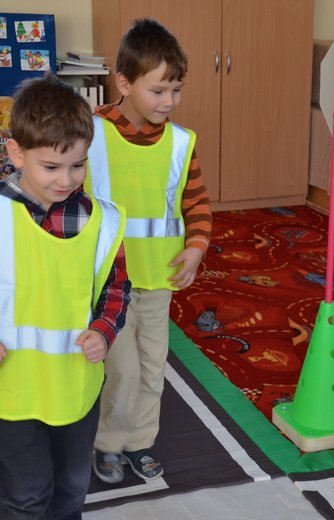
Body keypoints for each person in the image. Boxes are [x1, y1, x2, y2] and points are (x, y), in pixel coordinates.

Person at [0, 72, 131, 520]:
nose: (66, 179)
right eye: (51, 167)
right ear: (16, 153)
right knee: (25, 495)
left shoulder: (101, 221)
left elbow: (116, 288)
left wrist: (104, 331)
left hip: (75, 389)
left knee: (71, 489)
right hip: (13, 389)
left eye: (78, 165)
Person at [85, 17, 212, 483]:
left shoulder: (181, 143)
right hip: (107, 283)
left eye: (176, 90)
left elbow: (196, 203)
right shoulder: (91, 133)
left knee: (152, 367)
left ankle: (140, 441)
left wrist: (196, 247)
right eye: (158, 90)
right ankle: (108, 443)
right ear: (124, 83)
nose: (169, 101)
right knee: (122, 369)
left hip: (159, 279)